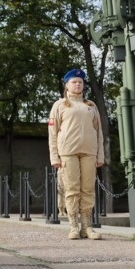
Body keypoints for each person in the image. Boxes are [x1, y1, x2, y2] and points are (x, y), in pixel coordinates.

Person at [48, 69, 104, 240]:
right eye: (74, 82)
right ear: (66, 85)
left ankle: (87, 227)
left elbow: (99, 132)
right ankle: (73, 226)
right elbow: (52, 132)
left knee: (87, 189)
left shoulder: (91, 105)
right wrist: (54, 156)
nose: (78, 84)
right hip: (67, 152)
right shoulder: (59, 105)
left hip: (89, 152)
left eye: (80, 82)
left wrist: (100, 155)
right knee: (71, 190)